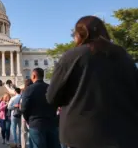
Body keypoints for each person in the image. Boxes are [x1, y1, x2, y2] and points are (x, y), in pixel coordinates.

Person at [46, 16, 138, 148]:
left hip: (82, 135)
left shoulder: (72, 56)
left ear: (79, 35)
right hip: (123, 134)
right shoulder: (125, 57)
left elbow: (52, 97)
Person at [21, 68, 60, 148]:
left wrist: (28, 119)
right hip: (51, 123)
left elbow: (24, 107)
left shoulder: (29, 89)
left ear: (34, 76)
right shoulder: (51, 88)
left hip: (36, 123)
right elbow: (57, 103)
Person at [20, 79, 33, 148]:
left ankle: (24, 146)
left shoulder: (24, 92)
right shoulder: (34, 91)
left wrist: (24, 115)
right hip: (33, 115)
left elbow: (23, 105)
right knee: (31, 132)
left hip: (25, 115)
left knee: (24, 132)